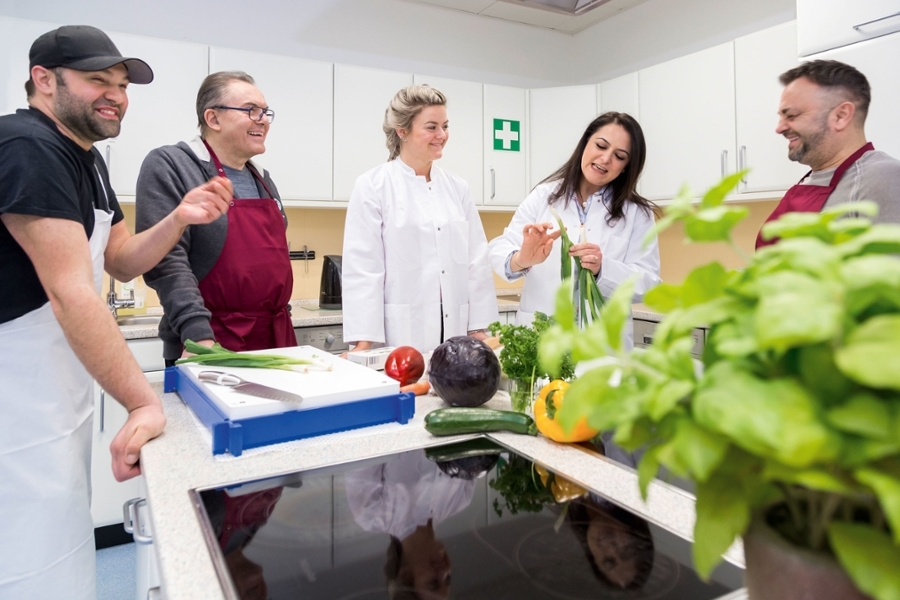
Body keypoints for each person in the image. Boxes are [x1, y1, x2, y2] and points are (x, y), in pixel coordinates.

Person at [0, 25, 231, 600]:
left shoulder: (89, 159)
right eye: (98, 81)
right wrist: (142, 401)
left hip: (54, 396)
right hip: (13, 395)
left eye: (122, 85)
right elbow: (72, 292)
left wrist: (179, 218)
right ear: (44, 81)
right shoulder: (26, 145)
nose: (116, 96)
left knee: (55, 546)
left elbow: (122, 262)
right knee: (24, 556)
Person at [136, 71, 297, 364]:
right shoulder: (172, 165)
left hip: (274, 342)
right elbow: (167, 262)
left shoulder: (262, 178)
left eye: (265, 112)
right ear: (213, 118)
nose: (262, 119)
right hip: (208, 343)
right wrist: (197, 335)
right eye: (251, 110)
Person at [342, 85, 498, 354]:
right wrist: (363, 342)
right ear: (402, 131)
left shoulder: (457, 188)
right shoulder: (373, 185)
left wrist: (478, 327)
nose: (442, 135)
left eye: (445, 126)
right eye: (431, 127)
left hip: (455, 327)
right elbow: (364, 268)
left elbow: (476, 261)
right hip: (401, 331)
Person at [488, 112, 661, 348]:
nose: (606, 158)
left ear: (626, 167)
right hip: (542, 342)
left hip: (603, 347)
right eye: (600, 145)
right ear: (585, 144)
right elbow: (499, 248)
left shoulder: (637, 214)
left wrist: (604, 269)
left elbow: (649, 284)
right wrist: (522, 258)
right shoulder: (543, 196)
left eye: (619, 156)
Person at [757, 59, 900, 248]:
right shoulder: (808, 181)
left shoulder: (883, 177)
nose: (779, 128)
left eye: (791, 115)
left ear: (840, 116)